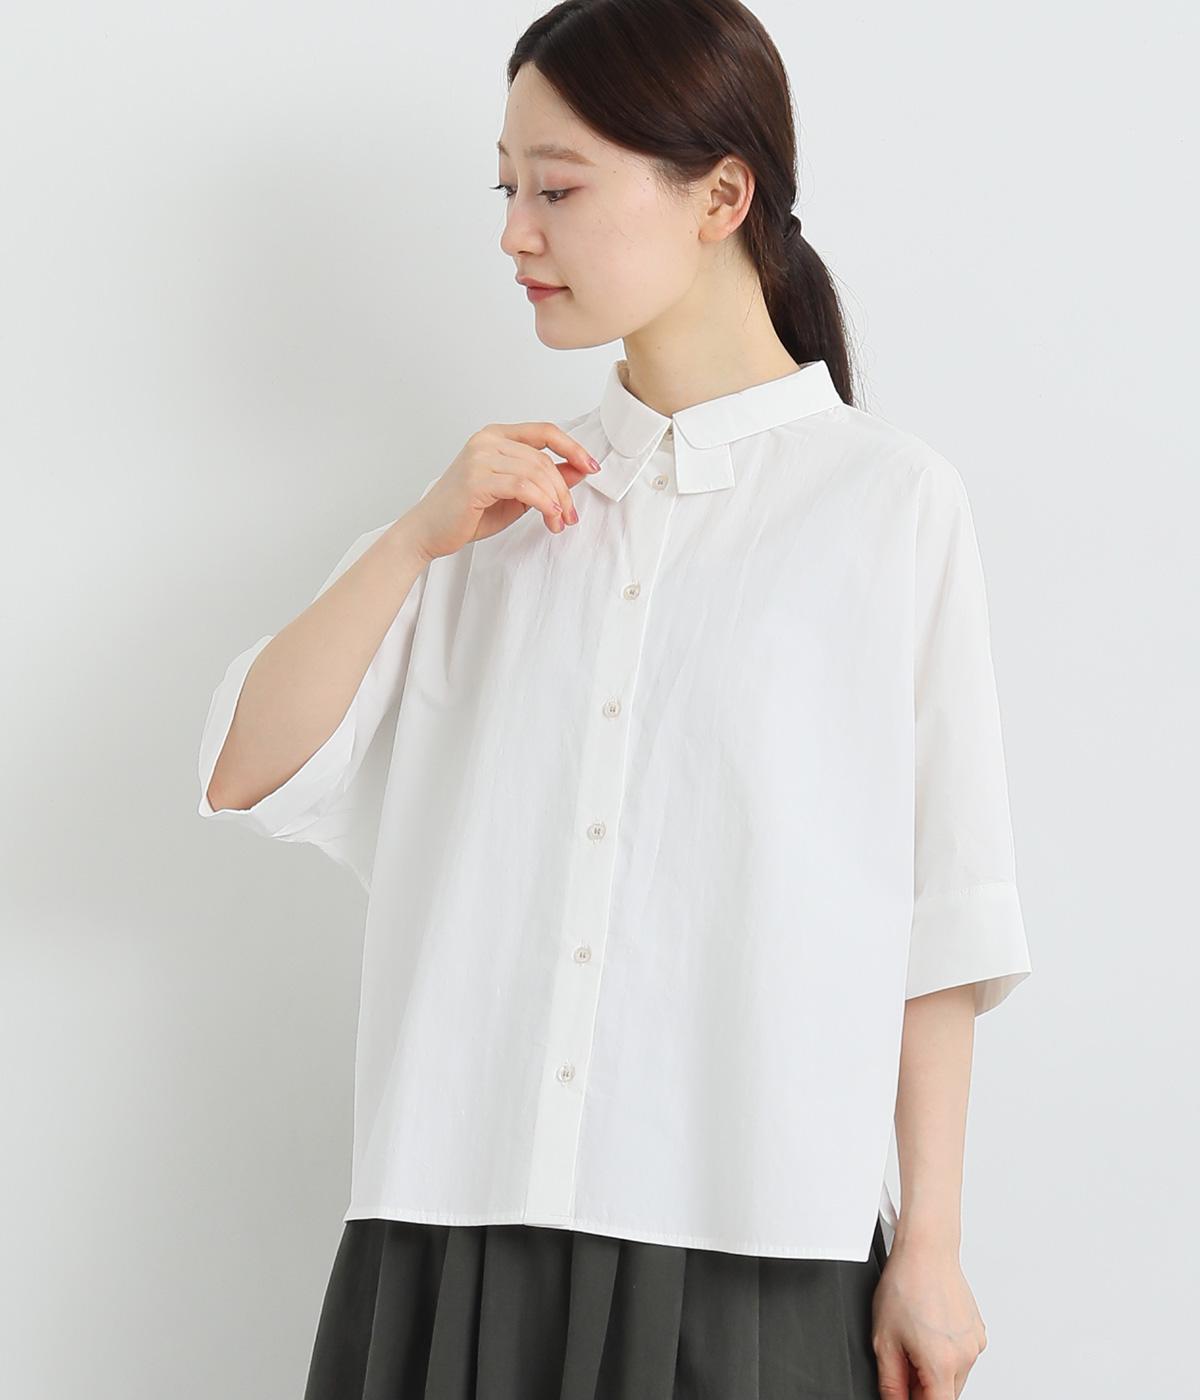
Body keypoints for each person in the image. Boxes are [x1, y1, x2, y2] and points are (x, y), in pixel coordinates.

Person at [196, 2, 1033, 1396]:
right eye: (506, 190)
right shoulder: (487, 514)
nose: (515, 235)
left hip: (755, 1234)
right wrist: (410, 543)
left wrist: (931, 1245)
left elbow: (943, 910)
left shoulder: (886, 504)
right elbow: (243, 770)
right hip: (457, 1225)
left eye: (558, 190)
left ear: (720, 196)